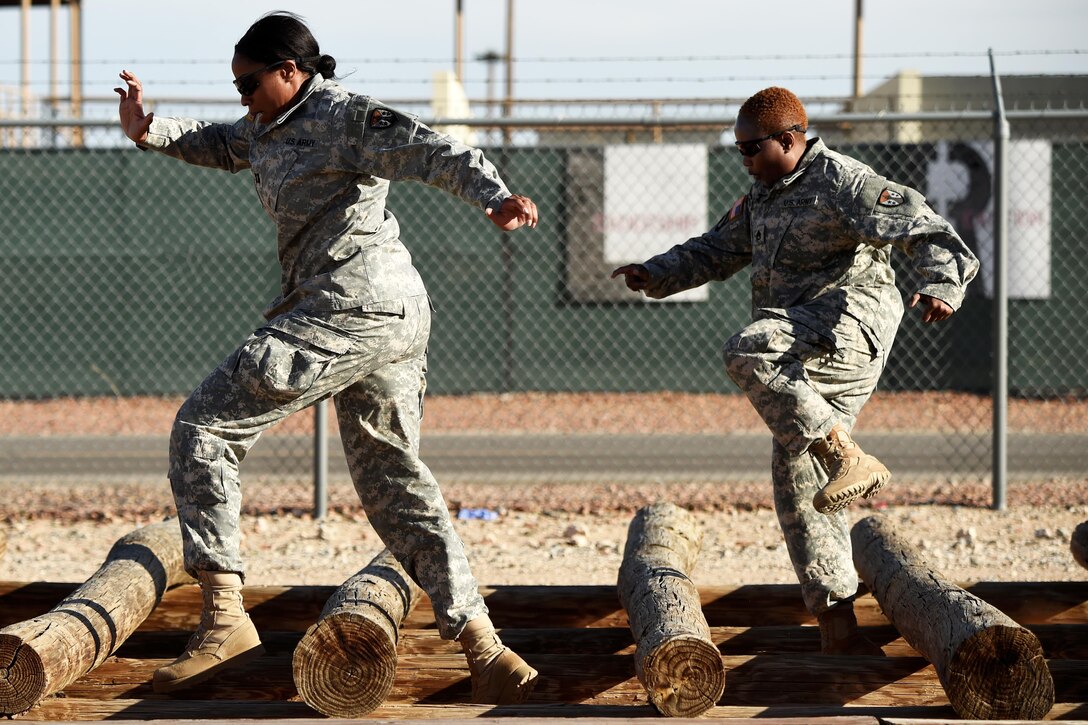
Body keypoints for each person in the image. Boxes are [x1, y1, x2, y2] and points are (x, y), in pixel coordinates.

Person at [115, 11, 539, 703]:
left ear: (292, 70)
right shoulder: (263, 128)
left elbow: (430, 148)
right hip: (386, 317)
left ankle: (224, 620)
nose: (242, 97)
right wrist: (147, 129)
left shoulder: (344, 117)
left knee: (204, 426)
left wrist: (493, 196)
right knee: (395, 482)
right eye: (237, 87)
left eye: (250, 82)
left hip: (351, 307)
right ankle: (485, 647)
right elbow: (219, 142)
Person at [611, 86, 978, 654]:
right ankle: (838, 625)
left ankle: (845, 452)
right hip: (802, 346)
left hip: (848, 330)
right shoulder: (763, 196)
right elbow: (715, 249)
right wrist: (654, 272)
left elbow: (926, 228)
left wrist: (940, 284)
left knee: (747, 348)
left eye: (752, 149)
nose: (745, 161)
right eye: (738, 151)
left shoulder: (843, 181)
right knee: (797, 481)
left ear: (790, 139)